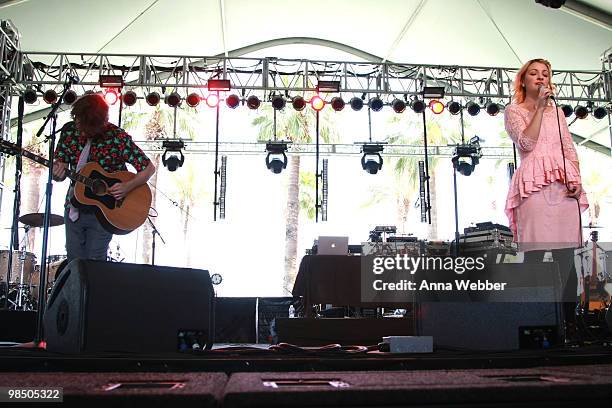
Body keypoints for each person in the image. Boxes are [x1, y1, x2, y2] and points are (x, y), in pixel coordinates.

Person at [504, 58, 589, 333]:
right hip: (533, 184)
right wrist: (539, 108)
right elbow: (527, 142)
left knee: (566, 256)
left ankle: (569, 321)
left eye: (545, 74)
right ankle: (536, 319)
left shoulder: (558, 113)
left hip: (562, 185)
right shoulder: (513, 110)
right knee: (536, 253)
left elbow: (569, 148)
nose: (540, 78)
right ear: (524, 80)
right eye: (534, 73)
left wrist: (576, 180)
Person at [52, 93, 155, 261]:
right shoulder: (69, 132)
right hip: (74, 205)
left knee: (95, 261)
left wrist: (126, 187)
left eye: (84, 126)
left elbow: (148, 168)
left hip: (107, 211)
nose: (79, 127)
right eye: (77, 121)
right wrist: (58, 173)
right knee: (73, 260)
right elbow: (60, 173)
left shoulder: (117, 137)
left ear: (100, 124)